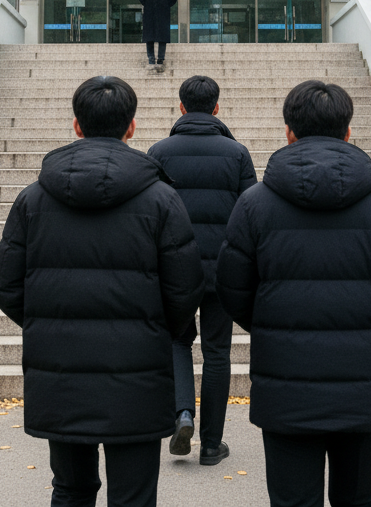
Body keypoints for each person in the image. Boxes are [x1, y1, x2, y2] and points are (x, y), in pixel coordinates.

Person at [216, 80, 371, 507]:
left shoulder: (254, 204)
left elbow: (231, 288)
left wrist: (273, 321)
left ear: (288, 132)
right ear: (349, 132)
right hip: (365, 383)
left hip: (285, 380)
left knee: (291, 499)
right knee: (357, 498)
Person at [0, 76, 204, 507]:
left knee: (70, 490)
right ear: (131, 127)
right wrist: (156, 329)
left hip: (60, 368)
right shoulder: (162, 199)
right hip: (138, 368)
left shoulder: (33, 199)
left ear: (76, 125)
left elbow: (7, 286)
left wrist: (48, 323)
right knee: (134, 495)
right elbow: (185, 288)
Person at [148, 74, 257, 466]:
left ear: (180, 107)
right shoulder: (237, 153)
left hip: (173, 268)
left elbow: (149, 213)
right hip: (222, 269)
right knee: (217, 353)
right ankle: (212, 444)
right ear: (216, 108)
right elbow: (250, 215)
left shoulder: (159, 152)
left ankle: (181, 414)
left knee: (178, 342)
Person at [138, 0, 179, 70]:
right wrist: (149, 5)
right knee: (149, 37)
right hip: (149, 13)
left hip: (163, 13)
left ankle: (161, 58)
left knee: (162, 37)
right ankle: (151, 58)